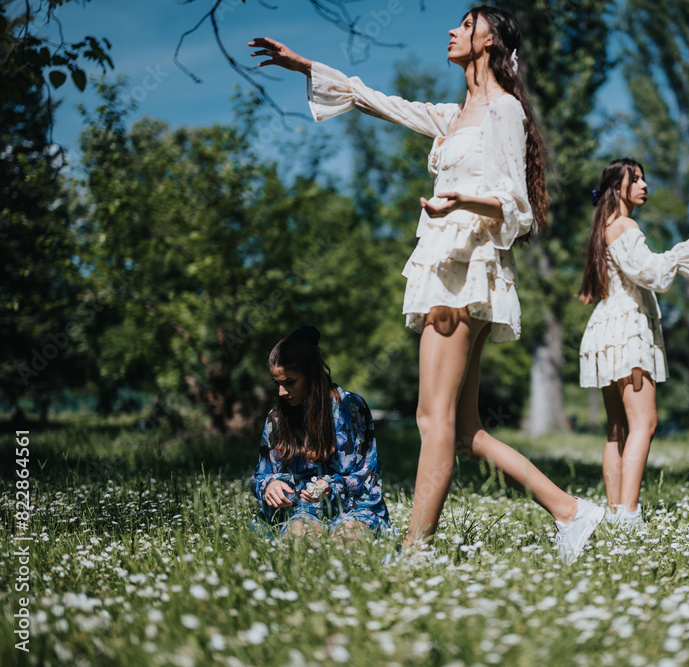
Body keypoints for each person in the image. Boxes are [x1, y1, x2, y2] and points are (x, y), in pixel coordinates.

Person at [248, 6, 604, 562]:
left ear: (489, 41)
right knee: (464, 432)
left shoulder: (505, 111)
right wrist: (307, 67)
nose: (452, 31)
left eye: (465, 24)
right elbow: (381, 102)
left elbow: (521, 206)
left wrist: (462, 199)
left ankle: (415, 550)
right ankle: (573, 512)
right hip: (448, 267)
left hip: (465, 271)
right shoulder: (456, 115)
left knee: (429, 418)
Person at [577, 158, 689, 529]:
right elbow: (654, 274)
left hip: (606, 330)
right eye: (637, 179)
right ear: (617, 188)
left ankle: (615, 512)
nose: (645, 185)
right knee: (645, 422)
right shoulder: (625, 226)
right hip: (627, 329)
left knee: (617, 429)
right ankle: (628, 516)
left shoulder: (604, 228)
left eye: (645, 178)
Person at [251, 326, 391, 541]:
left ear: (311, 375)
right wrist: (269, 485)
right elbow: (262, 475)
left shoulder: (351, 407)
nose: (282, 392)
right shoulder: (277, 417)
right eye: (277, 383)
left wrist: (331, 485)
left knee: (350, 538)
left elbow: (368, 475)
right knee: (300, 538)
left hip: (355, 511)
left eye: (289, 382)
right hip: (298, 513)